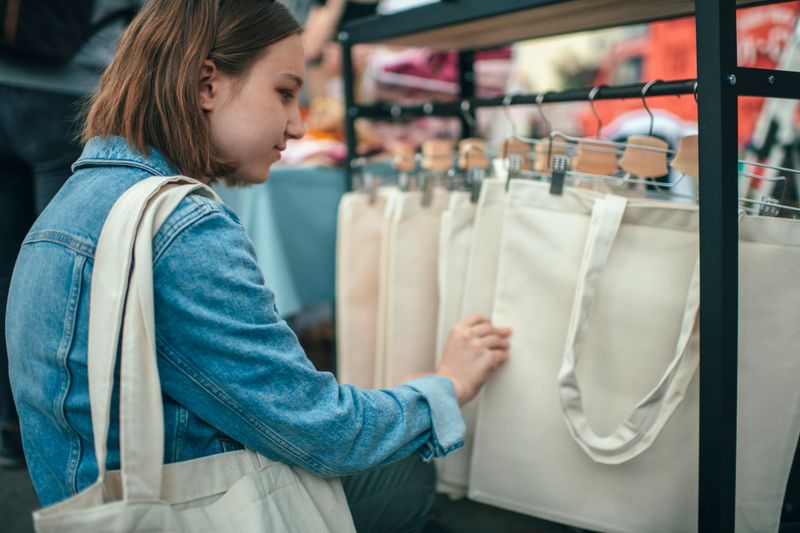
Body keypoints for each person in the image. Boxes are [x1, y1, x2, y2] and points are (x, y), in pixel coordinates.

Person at [4, 1, 511, 531]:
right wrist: (444, 388)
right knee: (405, 475)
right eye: (285, 93)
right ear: (207, 84)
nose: (295, 125)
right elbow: (326, 433)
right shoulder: (181, 227)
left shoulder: (66, 208)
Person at [0, 0, 141, 468]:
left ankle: (14, 424)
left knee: (8, 269)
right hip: (72, 94)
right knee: (67, 277)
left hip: (5, 84)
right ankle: (65, 432)